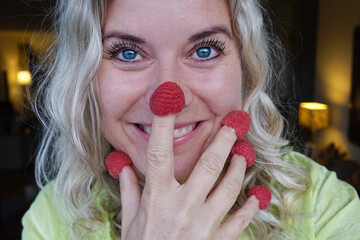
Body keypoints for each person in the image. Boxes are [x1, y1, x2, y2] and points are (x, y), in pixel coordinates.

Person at [22, 0, 360, 239]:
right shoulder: (52, 221)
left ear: (246, 68)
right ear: (85, 78)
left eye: (204, 50)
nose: (168, 99)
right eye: (127, 52)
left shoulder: (322, 206)